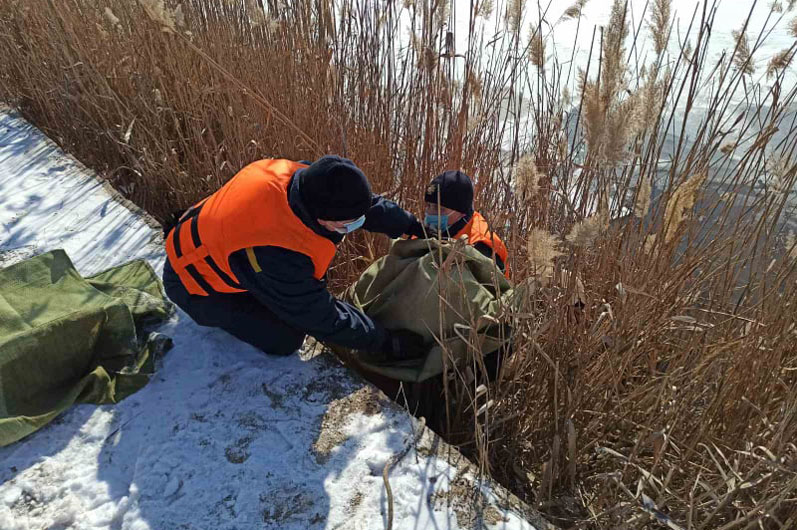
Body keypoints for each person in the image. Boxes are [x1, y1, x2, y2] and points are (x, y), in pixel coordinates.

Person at [161, 155, 429, 361]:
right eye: (349, 224)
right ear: (322, 218)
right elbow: (320, 316)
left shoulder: (306, 179)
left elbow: (363, 206)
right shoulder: (275, 252)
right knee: (285, 338)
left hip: (221, 247)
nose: (356, 224)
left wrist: (411, 226)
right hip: (193, 284)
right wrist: (383, 341)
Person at [419, 170, 509, 274]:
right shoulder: (430, 229)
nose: (430, 213)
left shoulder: (480, 247)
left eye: (440, 209)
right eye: (428, 206)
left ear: (461, 212)